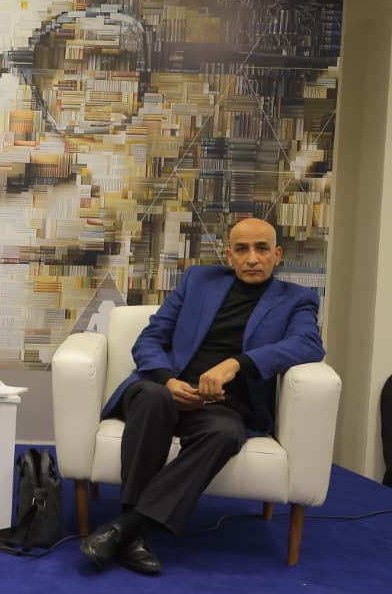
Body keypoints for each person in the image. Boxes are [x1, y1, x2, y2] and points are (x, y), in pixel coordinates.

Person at [80, 218, 324, 575]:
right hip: (162, 390)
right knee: (152, 398)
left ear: (277, 254)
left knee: (226, 434)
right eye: (242, 249)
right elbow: (150, 339)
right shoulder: (198, 281)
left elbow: (308, 344)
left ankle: (127, 527)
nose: (252, 258)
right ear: (229, 255)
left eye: (261, 249)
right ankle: (132, 527)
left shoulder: (296, 299)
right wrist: (167, 380)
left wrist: (237, 364)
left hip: (223, 406)